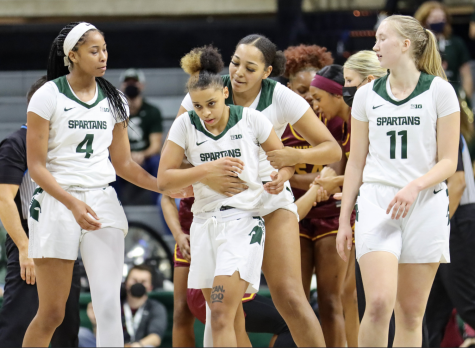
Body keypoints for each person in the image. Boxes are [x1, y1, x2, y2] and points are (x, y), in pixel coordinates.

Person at [177, 34, 342, 347]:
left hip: (268, 200)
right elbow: (179, 157)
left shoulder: (279, 96)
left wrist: (296, 157)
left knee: (290, 296)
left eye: (250, 68)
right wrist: (205, 176)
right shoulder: (207, 91)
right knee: (229, 308)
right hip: (223, 206)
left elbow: (331, 150)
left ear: (267, 72)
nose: (239, 72)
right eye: (236, 63)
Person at [22, 22, 167, 347]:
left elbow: (124, 164)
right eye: (93, 50)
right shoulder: (48, 95)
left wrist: (164, 187)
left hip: (101, 200)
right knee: (52, 314)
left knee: (107, 306)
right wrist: (72, 204)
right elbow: (36, 167)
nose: (103, 57)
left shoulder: (115, 99)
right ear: (72, 55)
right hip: (57, 201)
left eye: (104, 49)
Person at [158, 44, 295, 347]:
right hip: (203, 223)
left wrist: (279, 178)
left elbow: (284, 162)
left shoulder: (252, 120)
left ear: (224, 93)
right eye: (197, 106)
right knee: (228, 319)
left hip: (243, 222)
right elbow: (164, 180)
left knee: (220, 313)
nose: (205, 113)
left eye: (210, 104)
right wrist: (206, 171)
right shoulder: (185, 124)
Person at [337, 14, 460, 347]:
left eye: (382, 39)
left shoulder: (440, 92)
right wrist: (344, 219)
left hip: (426, 204)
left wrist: (415, 185)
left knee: (410, 315)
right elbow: (355, 162)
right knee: (377, 304)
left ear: (406, 44)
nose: (375, 46)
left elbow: (449, 161)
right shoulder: (365, 96)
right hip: (378, 203)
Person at [0, 77, 81, 347]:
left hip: (66, 236)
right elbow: (3, 199)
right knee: (20, 325)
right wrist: (25, 248)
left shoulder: (66, 143)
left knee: (65, 327)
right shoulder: (16, 143)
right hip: (32, 238)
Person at [339, 50, 396, 347]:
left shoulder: (408, 112)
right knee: (371, 303)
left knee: (404, 311)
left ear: (370, 80)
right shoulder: (360, 114)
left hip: (400, 210)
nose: (344, 90)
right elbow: (357, 165)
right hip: (369, 210)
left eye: (349, 81)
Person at [426, 106, 475, 347]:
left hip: (455, 220)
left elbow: (457, 184)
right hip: (442, 221)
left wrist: (437, 227)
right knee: (428, 315)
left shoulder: (445, 126)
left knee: (469, 304)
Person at [117, 68, 163, 205]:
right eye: (127, 82)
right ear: (122, 86)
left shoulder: (152, 111)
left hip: (145, 160)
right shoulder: (116, 112)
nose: (131, 86)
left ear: (141, 85)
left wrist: (141, 154)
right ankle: (113, 205)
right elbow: (112, 143)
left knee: (158, 162)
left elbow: (155, 146)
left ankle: (162, 201)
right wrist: (128, 157)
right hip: (123, 159)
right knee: (108, 162)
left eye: (134, 82)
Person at [415, 1, 473, 102]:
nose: (438, 21)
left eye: (441, 18)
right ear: (424, 20)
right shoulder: (417, 44)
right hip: (425, 93)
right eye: (434, 18)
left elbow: (466, 74)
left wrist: (464, 98)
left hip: (453, 92)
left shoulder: (456, 43)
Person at [122, 265, 168, 347]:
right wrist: (95, 323)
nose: (138, 284)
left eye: (143, 282)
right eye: (134, 280)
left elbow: (155, 338)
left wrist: (134, 346)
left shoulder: (156, 307)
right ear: (126, 283)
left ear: (150, 287)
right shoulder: (116, 306)